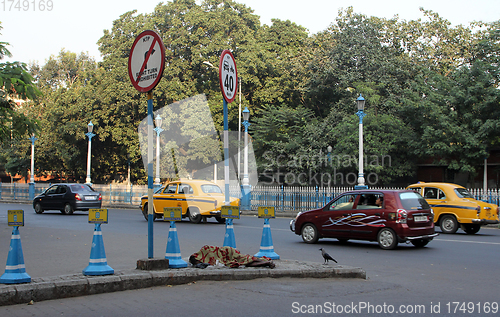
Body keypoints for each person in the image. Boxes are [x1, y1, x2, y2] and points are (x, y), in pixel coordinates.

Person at [189, 245, 275, 269]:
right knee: (245, 261)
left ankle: (265, 262)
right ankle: (265, 263)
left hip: (228, 252)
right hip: (227, 254)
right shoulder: (202, 254)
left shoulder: (204, 250)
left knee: (245, 259)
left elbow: (214, 257)